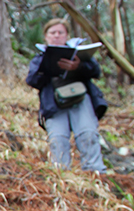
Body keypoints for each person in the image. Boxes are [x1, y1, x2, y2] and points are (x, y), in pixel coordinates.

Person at [25, 18, 108, 172]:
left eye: (60, 32)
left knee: (88, 134)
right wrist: (49, 67)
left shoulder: (79, 53)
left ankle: (95, 173)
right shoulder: (39, 58)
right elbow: (32, 80)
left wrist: (78, 66)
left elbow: (96, 72)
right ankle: (61, 175)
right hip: (54, 103)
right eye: (53, 32)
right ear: (46, 36)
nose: (57, 36)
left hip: (81, 99)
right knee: (58, 139)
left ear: (67, 35)